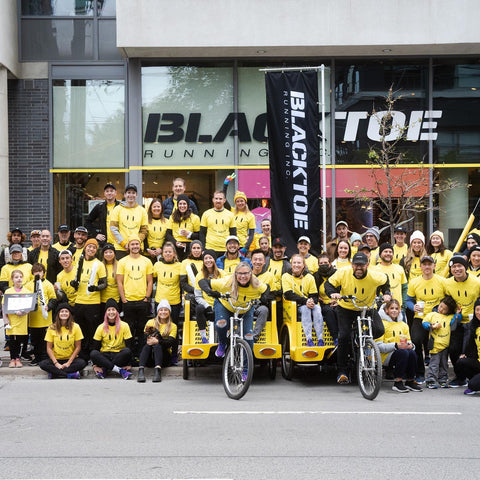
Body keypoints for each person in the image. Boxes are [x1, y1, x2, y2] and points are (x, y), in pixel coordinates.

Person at [325, 252, 390, 384]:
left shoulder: (374, 276)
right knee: (343, 336)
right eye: (356, 265)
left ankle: (362, 342)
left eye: (362, 265)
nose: (359, 268)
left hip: (367, 308)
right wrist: (333, 293)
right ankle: (342, 371)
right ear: (352, 265)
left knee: (379, 330)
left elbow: (385, 281)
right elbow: (329, 284)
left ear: (367, 264)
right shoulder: (343, 272)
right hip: (346, 308)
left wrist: (387, 294)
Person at [199, 262, 269, 361]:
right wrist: (210, 292)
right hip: (225, 305)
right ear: (235, 274)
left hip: (245, 309)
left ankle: (246, 368)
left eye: (246, 273)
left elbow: (267, 288)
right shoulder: (227, 282)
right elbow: (202, 282)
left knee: (249, 337)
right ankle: (223, 343)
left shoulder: (256, 283)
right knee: (221, 323)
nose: (243, 276)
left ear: (250, 273)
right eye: (240, 273)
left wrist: (264, 297)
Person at [405, 255, 447, 384]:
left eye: (430, 264)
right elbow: (408, 300)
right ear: (420, 267)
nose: (427, 267)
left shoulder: (442, 281)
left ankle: (441, 375)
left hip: (438, 317)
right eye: (424, 264)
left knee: (440, 345)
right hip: (421, 317)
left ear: (434, 266)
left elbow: (448, 298)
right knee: (416, 340)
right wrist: (413, 307)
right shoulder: (414, 282)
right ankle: (419, 373)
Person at [444, 254, 480, 387]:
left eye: (459, 266)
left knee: (470, 351)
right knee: (453, 349)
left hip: (473, 321)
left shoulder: (476, 282)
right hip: (457, 320)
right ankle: (460, 378)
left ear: (465, 267)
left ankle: (473, 377)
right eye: (453, 267)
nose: (457, 269)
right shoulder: (447, 283)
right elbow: (446, 300)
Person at [116, 235, 154, 359]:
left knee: (142, 329)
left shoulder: (146, 261)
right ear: (129, 246)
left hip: (142, 300)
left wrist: (147, 298)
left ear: (140, 245)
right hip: (128, 300)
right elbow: (119, 282)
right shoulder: (122, 261)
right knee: (129, 329)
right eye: (132, 244)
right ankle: (130, 355)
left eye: (137, 244)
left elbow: (150, 281)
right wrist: (123, 299)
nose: (135, 246)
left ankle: (141, 355)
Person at [70, 238, 107, 358]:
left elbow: (104, 283)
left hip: (93, 303)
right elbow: (75, 279)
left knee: (93, 331)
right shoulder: (79, 262)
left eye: (94, 247)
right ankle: (82, 355)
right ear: (85, 248)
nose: (91, 249)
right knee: (81, 331)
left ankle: (93, 354)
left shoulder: (99, 264)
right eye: (89, 247)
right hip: (79, 301)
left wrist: (96, 288)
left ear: (96, 250)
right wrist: (73, 283)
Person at [376, 299, 422, 392]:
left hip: (401, 351)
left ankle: (410, 381)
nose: (394, 310)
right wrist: (396, 346)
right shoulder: (381, 324)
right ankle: (398, 382)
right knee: (403, 353)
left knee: (412, 353)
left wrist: (411, 346)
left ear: (399, 310)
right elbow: (378, 346)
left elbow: (409, 341)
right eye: (391, 308)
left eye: (396, 308)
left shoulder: (404, 325)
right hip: (385, 355)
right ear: (386, 310)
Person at [282, 254, 324, 347]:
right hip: (294, 305)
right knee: (306, 309)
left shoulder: (309, 277)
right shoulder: (286, 276)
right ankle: (309, 339)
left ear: (303, 265)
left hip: (307, 303)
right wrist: (306, 301)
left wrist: (311, 302)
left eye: (299, 263)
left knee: (317, 308)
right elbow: (288, 295)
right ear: (291, 264)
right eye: (294, 262)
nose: (296, 265)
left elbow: (314, 295)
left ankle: (320, 339)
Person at [38, 303, 87, 379]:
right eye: (62, 311)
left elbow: (78, 347)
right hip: (56, 359)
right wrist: (56, 363)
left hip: (70, 360)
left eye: (66, 311)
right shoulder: (52, 327)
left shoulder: (76, 326)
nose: (64, 313)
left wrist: (68, 363)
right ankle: (69, 374)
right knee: (43, 364)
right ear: (58, 314)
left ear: (69, 314)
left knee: (82, 363)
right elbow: (49, 348)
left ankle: (55, 374)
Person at [422, 295, 461, 389]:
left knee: (444, 364)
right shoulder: (432, 315)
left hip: (445, 345)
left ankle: (443, 380)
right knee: (434, 364)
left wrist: (457, 313)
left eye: (444, 309)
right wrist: (431, 326)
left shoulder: (450, 317)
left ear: (449, 311)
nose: (441, 309)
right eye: (441, 306)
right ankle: (430, 380)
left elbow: (455, 322)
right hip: (435, 344)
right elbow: (424, 322)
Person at [90, 298, 133, 380]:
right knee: (93, 353)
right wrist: (94, 366)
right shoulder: (101, 327)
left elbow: (130, 346)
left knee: (127, 351)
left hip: (119, 355)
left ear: (117, 312)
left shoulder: (124, 325)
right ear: (106, 313)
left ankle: (105, 369)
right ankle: (120, 370)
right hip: (105, 355)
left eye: (113, 310)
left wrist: (129, 363)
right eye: (109, 310)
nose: (111, 312)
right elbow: (94, 347)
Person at [137, 299, 178, 383]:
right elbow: (144, 339)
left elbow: (170, 343)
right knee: (148, 345)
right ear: (158, 312)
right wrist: (150, 340)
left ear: (169, 312)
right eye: (161, 310)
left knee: (157, 345)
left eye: (166, 310)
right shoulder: (150, 322)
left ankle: (158, 371)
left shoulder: (173, 326)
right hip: (149, 357)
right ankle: (140, 370)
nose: (163, 312)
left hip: (164, 358)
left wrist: (158, 341)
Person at [26, 263, 57, 365]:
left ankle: (44, 357)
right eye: (35, 272)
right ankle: (37, 357)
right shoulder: (29, 285)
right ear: (32, 273)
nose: (38, 273)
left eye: (40, 271)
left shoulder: (48, 284)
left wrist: (49, 306)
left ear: (44, 273)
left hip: (45, 318)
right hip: (33, 319)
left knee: (45, 339)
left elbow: (53, 298)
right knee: (35, 340)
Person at [194, 250, 225, 343]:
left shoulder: (222, 273)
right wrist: (207, 305)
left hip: (220, 304)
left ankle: (223, 339)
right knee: (199, 308)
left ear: (214, 260)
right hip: (206, 306)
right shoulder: (200, 275)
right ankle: (203, 337)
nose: (208, 260)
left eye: (210, 258)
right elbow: (198, 296)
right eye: (206, 258)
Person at [110, 184, 148, 259]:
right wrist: (124, 243)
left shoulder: (142, 211)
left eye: (133, 193)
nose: (131, 195)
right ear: (125, 194)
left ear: (136, 195)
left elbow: (144, 230)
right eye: (129, 192)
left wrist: (135, 244)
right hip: (120, 248)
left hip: (137, 248)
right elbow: (113, 229)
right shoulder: (117, 209)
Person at [2, 270, 31, 367]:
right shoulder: (8, 291)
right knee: (12, 340)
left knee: (20, 340)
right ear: (12, 279)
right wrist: (6, 321)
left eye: (20, 277)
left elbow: (29, 306)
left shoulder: (26, 291)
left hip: (22, 320)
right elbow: (4, 306)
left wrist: (23, 312)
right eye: (16, 277)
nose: (19, 279)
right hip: (12, 320)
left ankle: (18, 359)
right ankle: (12, 359)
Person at [152, 242, 182, 330]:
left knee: (174, 327)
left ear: (174, 254)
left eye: (170, 252)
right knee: (158, 328)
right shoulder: (157, 265)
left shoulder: (180, 266)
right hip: (160, 301)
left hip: (174, 302)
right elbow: (151, 280)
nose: (168, 254)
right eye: (165, 252)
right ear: (162, 253)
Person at [200, 190, 237, 258]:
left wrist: (232, 248)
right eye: (216, 198)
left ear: (224, 200)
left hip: (225, 249)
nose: (218, 201)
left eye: (220, 199)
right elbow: (202, 233)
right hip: (210, 248)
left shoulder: (230, 215)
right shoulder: (206, 214)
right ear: (213, 200)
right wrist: (203, 248)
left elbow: (233, 234)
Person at [454, 298, 480, 395]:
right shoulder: (473, 326)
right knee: (461, 362)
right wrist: (465, 355)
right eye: (477, 310)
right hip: (479, 361)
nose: (479, 313)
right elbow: (472, 346)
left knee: (473, 385)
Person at [266, 237, 291, 330]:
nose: (278, 250)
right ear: (272, 248)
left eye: (280, 247)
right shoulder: (266, 261)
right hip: (265, 298)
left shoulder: (288, 265)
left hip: (279, 300)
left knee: (278, 325)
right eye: (275, 247)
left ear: (284, 248)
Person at [250, 249, 276, 342]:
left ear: (264, 261)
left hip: (260, 305)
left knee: (264, 310)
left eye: (260, 259)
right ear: (251, 261)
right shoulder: (246, 274)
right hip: (246, 304)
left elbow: (272, 295)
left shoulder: (269, 276)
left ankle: (254, 337)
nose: (257, 262)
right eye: (255, 259)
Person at [166, 193, 201, 261]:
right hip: (175, 245)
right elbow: (168, 234)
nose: (182, 206)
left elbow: (198, 235)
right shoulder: (172, 217)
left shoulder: (195, 217)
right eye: (180, 204)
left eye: (184, 204)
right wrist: (175, 242)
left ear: (188, 205)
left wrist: (189, 234)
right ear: (177, 205)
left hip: (189, 246)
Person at [372, 243, 408, 308]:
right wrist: (382, 298)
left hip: (398, 308)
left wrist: (404, 306)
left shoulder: (399, 268)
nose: (388, 254)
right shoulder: (374, 270)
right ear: (380, 254)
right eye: (385, 251)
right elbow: (372, 291)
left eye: (390, 252)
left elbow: (404, 288)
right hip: (382, 307)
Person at [314, 253, 339, 345]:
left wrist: (337, 300)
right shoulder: (316, 276)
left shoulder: (337, 273)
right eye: (321, 263)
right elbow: (313, 291)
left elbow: (343, 289)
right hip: (323, 303)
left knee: (338, 311)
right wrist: (317, 297)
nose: (323, 265)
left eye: (325, 262)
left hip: (338, 302)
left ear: (330, 263)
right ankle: (335, 338)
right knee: (328, 311)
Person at [85, 182, 120, 246]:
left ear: (115, 193)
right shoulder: (99, 207)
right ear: (104, 193)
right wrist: (95, 234)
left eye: (111, 191)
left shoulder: (121, 207)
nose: (109, 193)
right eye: (107, 191)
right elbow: (87, 221)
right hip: (104, 243)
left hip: (119, 243)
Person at [144, 197, 168, 263]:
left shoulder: (167, 222)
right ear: (151, 208)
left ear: (161, 208)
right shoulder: (145, 221)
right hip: (148, 254)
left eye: (158, 206)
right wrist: (147, 249)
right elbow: (143, 237)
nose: (156, 208)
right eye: (154, 207)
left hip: (163, 254)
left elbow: (168, 238)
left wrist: (161, 249)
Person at [101, 243, 120, 312]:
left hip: (117, 299)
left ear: (114, 253)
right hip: (102, 299)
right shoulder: (100, 265)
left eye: (110, 252)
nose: (108, 254)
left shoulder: (119, 264)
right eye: (106, 252)